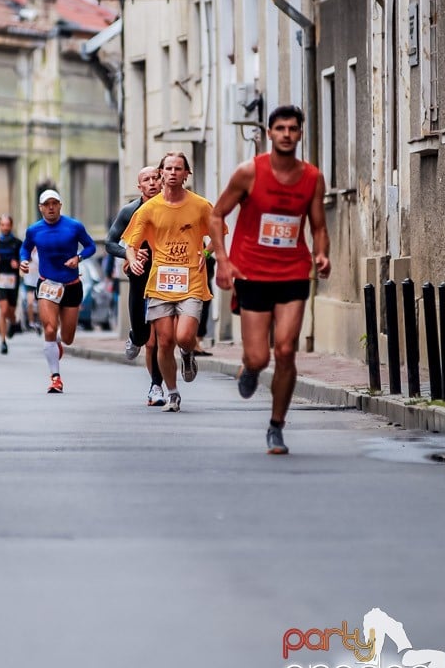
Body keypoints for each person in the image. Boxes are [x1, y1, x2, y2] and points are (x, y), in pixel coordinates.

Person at [208, 104, 331, 455]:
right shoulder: (249, 172)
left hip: (293, 270)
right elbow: (216, 215)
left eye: (293, 128)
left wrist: (322, 254)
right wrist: (223, 260)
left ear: (301, 133)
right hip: (252, 272)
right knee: (261, 358)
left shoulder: (312, 178)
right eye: (280, 128)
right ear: (270, 133)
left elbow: (319, 226)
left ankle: (276, 426)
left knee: (287, 350)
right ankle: (250, 367)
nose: (287, 134)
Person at [122, 152, 215, 412]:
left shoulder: (200, 205)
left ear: (187, 174)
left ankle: (187, 353)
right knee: (164, 341)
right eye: (168, 168)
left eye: (178, 169)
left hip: (192, 280)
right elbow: (131, 243)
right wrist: (133, 258)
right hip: (160, 281)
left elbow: (218, 236)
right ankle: (172, 393)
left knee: (183, 336)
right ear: (161, 172)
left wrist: (206, 254)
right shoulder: (149, 209)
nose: (173, 173)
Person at [19, 189, 96, 394]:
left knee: (68, 337)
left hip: (71, 284)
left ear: (60, 205)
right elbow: (25, 248)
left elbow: (90, 247)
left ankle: (59, 343)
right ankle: (55, 378)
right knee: (50, 329)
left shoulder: (74, 226)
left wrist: (78, 258)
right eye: (47, 204)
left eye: (54, 203)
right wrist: (23, 261)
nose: (51, 207)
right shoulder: (34, 230)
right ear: (40, 208)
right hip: (47, 285)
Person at [105, 165, 165, 406]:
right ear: (139, 187)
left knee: (159, 339)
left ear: (161, 181)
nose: (151, 183)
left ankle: (156, 386)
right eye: (146, 180)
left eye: (155, 178)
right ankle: (134, 335)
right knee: (143, 336)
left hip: (166, 278)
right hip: (140, 276)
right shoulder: (130, 211)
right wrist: (129, 256)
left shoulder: (171, 207)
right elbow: (110, 243)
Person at [0, 214, 23, 355]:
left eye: (7, 225)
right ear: (0, 226)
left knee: (11, 312)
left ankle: (14, 323)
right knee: (3, 310)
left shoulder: (17, 243)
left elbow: (25, 260)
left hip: (13, 281)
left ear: (11, 226)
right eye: (3, 225)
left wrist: (19, 264)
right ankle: (3, 342)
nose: (5, 228)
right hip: (1, 281)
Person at [194, 249, 216, 355]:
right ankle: (194, 345)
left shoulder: (201, 241)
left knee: (203, 314)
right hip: (195, 283)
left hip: (204, 283)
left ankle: (197, 344)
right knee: (198, 315)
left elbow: (207, 255)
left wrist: (205, 255)